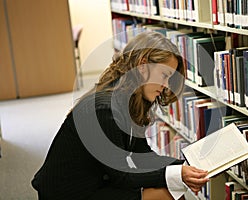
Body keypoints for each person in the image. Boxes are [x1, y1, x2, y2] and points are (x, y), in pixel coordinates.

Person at [31, 31, 209, 200]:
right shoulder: (103, 109)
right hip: (69, 193)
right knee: (163, 193)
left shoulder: (129, 101)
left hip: (97, 180)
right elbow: (121, 176)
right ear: (142, 65)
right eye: (164, 75)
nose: (166, 85)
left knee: (169, 186)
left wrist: (182, 166)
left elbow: (143, 156)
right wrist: (177, 174)